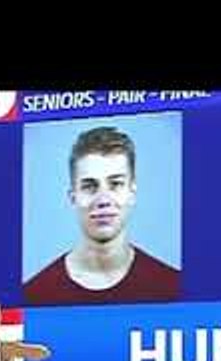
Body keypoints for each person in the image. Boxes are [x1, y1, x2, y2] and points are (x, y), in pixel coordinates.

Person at [23, 126, 180, 305]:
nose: (103, 200)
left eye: (115, 184)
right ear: (72, 197)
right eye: (90, 186)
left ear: (132, 193)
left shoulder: (172, 288)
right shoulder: (33, 296)